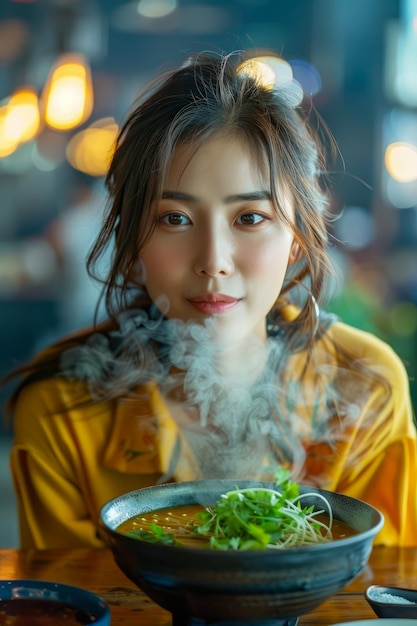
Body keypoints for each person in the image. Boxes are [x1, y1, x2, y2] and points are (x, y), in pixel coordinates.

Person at [3, 51, 417, 549]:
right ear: (132, 242)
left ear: (297, 239)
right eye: (175, 218)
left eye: (250, 218)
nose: (214, 261)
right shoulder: (63, 410)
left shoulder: (364, 386)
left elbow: (380, 598)